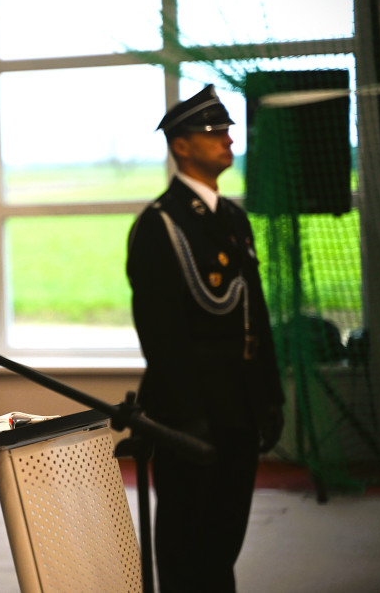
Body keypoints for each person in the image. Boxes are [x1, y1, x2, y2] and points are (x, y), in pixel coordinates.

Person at [126, 84, 286, 592]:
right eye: (213, 132)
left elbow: (254, 318)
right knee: (185, 544)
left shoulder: (234, 219)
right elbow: (161, 333)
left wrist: (269, 397)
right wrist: (188, 417)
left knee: (223, 543)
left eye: (227, 130)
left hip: (238, 408)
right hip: (188, 413)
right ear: (181, 146)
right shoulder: (160, 224)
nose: (228, 140)